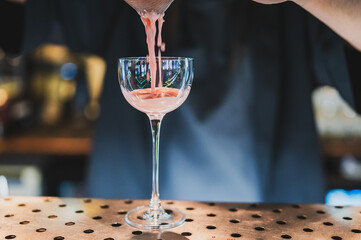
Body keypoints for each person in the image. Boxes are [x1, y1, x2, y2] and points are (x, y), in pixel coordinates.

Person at [22, 0, 361, 203]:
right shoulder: (116, 12)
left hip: (270, 222)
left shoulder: (288, 14)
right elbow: (21, 20)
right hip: (136, 223)